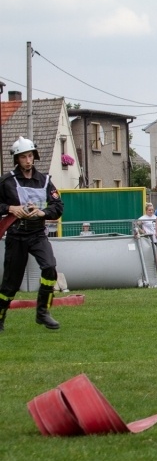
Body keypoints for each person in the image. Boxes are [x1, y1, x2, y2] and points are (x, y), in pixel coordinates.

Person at [0, 136, 64, 331]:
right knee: (11, 283)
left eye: (30, 156)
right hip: (16, 235)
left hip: (37, 234)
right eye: (23, 157)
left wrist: (43, 212)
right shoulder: (6, 181)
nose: (28, 161)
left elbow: (58, 206)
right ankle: (0, 316)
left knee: (50, 268)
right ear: (17, 159)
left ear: (34, 156)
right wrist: (10, 208)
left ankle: (43, 312)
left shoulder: (45, 181)